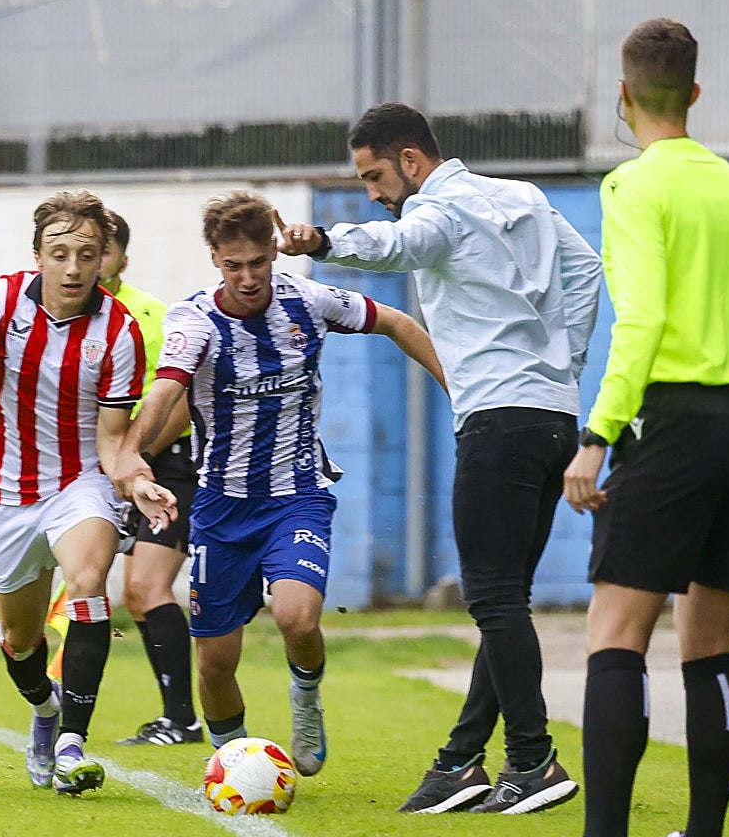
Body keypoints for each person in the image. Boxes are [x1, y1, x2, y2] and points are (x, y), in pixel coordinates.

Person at [277, 102, 601, 815]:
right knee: (503, 599)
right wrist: (561, 366)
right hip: (551, 417)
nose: (374, 191)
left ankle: (533, 761)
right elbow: (585, 272)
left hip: (498, 421)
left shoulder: (439, 210)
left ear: (411, 161)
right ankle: (460, 763)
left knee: (491, 597)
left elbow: (400, 245)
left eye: (374, 176)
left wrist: (323, 239)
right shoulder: (524, 197)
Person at [111, 190, 447, 779]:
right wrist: (131, 453)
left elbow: (394, 320)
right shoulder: (195, 320)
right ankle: (234, 765)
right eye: (233, 264)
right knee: (215, 663)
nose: (247, 277)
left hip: (297, 497)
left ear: (274, 252)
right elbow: (167, 387)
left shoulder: (309, 301)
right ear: (215, 258)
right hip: (220, 506)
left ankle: (307, 702)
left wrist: (458, 394)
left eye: (258, 262)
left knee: (297, 618)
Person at [562, 18, 729, 837]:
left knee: (616, 631)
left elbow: (644, 317)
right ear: (694, 93)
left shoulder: (632, 186)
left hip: (678, 419)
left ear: (623, 96)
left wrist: (599, 434)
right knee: (710, 642)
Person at [0, 189, 177, 797]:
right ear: (38, 254)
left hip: (80, 483)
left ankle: (72, 741)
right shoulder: (5, 298)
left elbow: (115, 440)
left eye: (86, 254)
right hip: (8, 492)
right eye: (60, 252)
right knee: (21, 637)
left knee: (90, 585)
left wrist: (140, 481)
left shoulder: (120, 331)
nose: (72, 267)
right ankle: (44, 709)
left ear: (105, 260)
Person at [98, 210, 203, 746]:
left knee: (145, 586)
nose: (90, 263)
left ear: (121, 258)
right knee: (128, 593)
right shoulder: (62, 316)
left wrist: (135, 461)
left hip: (168, 462)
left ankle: (183, 718)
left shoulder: (152, 315)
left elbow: (180, 399)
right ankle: (176, 717)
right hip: (110, 465)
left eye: (102, 250)